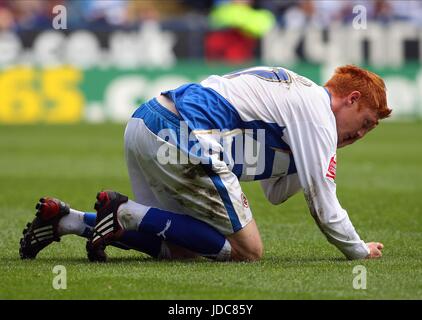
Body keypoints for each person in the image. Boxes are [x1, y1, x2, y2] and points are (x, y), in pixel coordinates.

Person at [19, 65, 391, 262]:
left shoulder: (300, 100)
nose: (361, 135)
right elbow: (323, 205)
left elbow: (275, 192)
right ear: (351, 98)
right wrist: (358, 250)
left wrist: (316, 154)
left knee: (183, 245)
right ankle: (126, 213)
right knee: (249, 252)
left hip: (145, 122)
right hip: (182, 132)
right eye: (366, 123)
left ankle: (67, 220)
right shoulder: (316, 112)